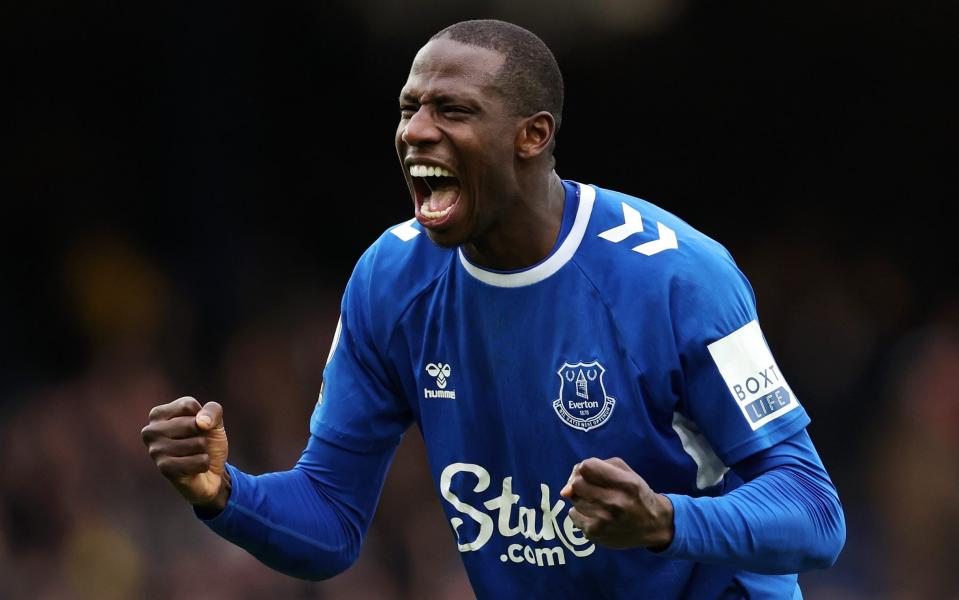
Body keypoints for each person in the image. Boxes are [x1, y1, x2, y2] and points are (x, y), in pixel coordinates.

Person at [142, 19, 845, 598]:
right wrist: (220, 492)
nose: (416, 130)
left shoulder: (677, 277)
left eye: (451, 110)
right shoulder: (390, 279)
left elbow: (814, 513)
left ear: (531, 136)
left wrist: (665, 520)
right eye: (408, 108)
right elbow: (328, 523)